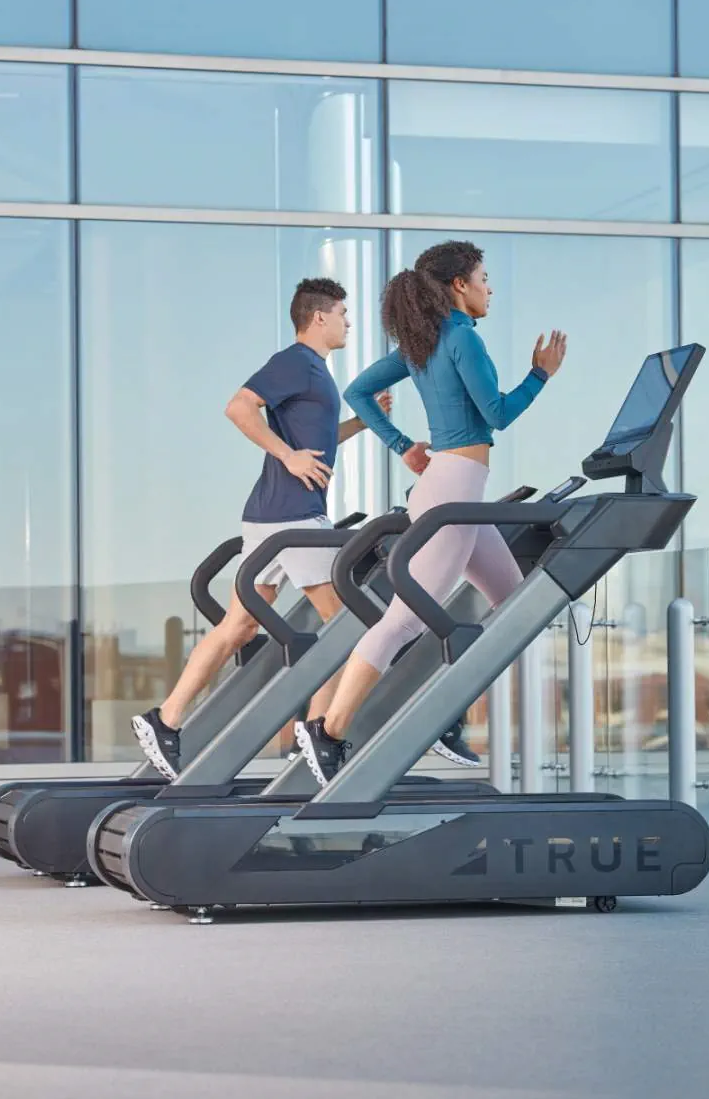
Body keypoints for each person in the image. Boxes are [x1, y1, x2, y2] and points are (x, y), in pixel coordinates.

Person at [131, 275, 476, 781]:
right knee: (350, 623)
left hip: (269, 514)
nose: (349, 322)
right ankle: (317, 733)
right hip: (293, 515)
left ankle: (166, 719)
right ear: (319, 317)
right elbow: (238, 408)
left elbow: (313, 438)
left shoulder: (315, 373)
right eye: (342, 313)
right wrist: (287, 456)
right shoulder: (295, 361)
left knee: (240, 626)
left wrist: (358, 426)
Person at [295, 240, 567, 786]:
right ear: (459, 285)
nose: (491, 288)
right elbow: (498, 414)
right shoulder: (462, 338)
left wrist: (402, 446)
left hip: (453, 490)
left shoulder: (423, 341)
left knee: (517, 608)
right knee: (403, 619)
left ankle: (444, 714)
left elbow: (358, 391)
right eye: (484, 278)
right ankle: (329, 730)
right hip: (453, 492)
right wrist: (540, 374)